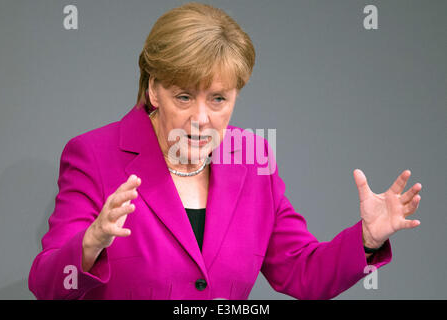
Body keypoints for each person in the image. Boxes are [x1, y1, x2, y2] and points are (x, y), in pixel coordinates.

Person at [28, 2, 422, 300]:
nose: (201, 118)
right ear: (153, 89)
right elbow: (46, 283)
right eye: (183, 96)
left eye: (218, 99)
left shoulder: (252, 158)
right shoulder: (94, 155)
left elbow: (301, 271)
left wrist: (366, 239)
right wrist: (91, 241)